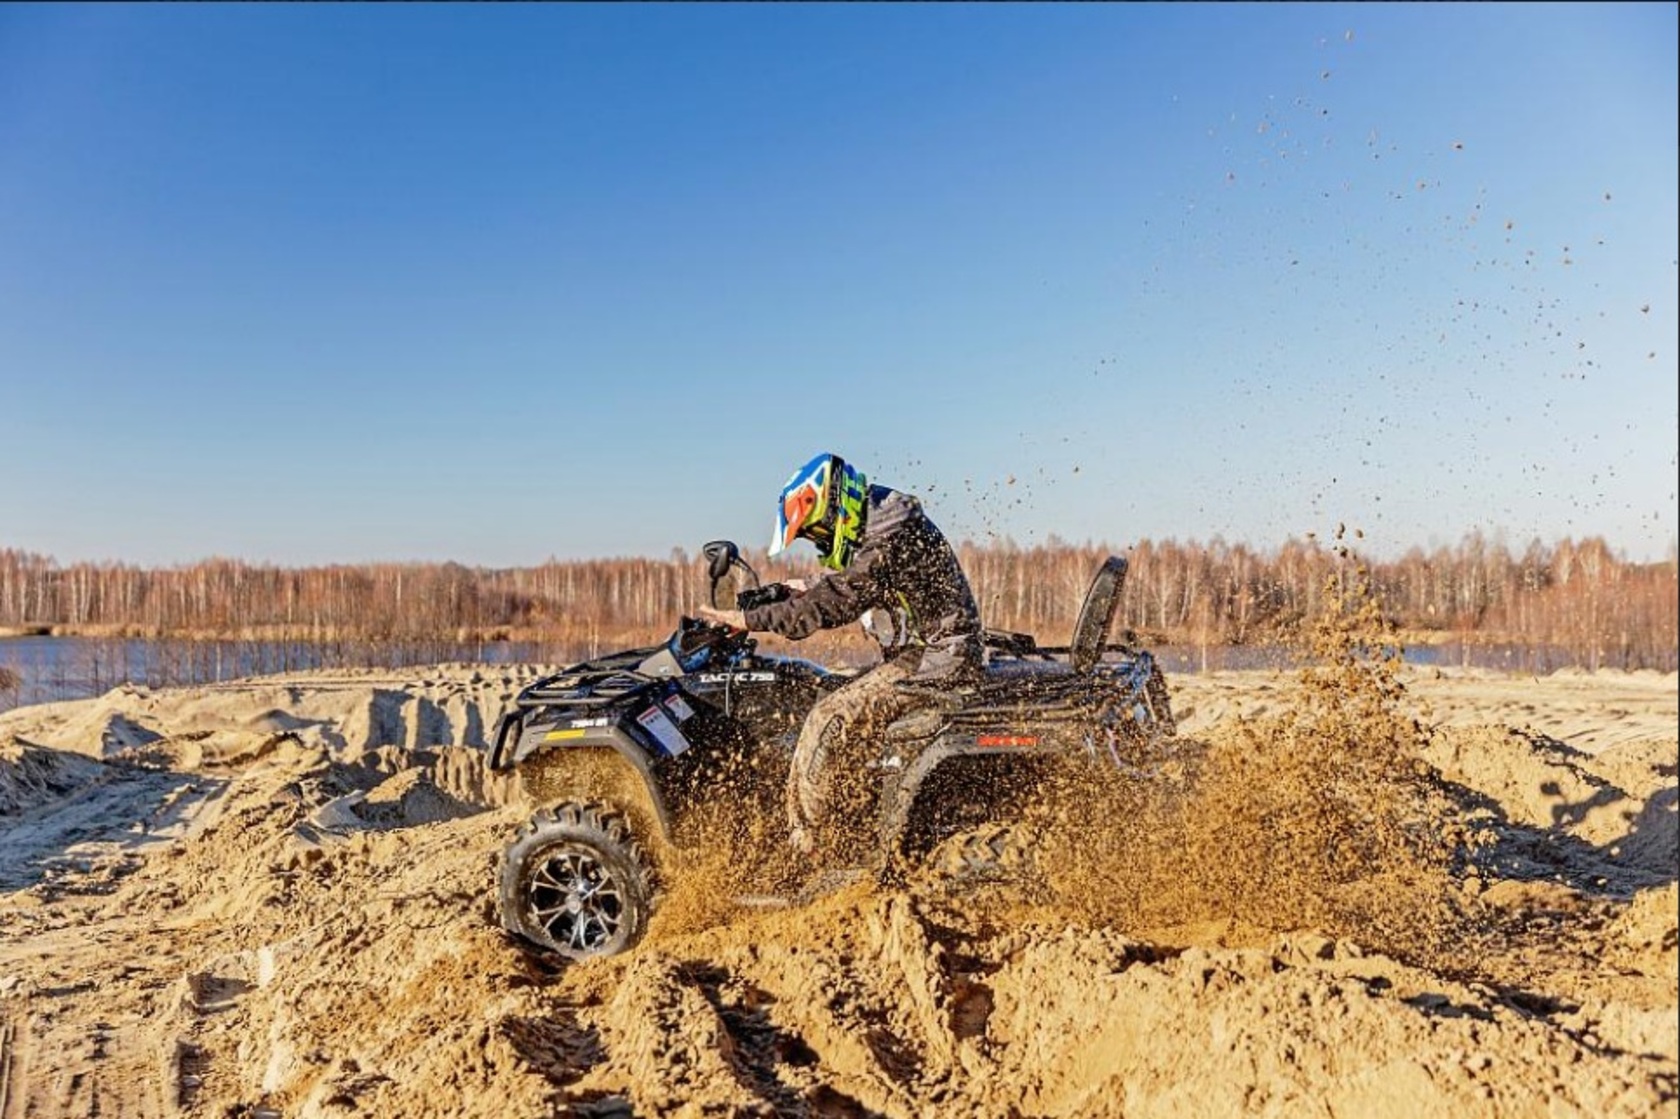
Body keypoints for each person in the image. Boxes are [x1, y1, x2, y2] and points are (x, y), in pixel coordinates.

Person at [696, 452, 983, 856]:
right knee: (828, 692)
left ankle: (807, 848)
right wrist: (797, 588)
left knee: (826, 719)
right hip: (927, 652)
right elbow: (848, 581)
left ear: (834, 509)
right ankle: (856, 827)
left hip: (937, 657)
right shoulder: (884, 524)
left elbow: (835, 601)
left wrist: (750, 619)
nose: (818, 542)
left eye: (816, 532)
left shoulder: (890, 532)